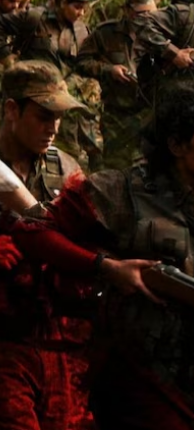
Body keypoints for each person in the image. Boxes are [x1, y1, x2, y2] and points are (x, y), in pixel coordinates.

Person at [13, 80, 194, 430]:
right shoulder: (122, 193)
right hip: (139, 391)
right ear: (177, 144)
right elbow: (34, 231)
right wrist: (106, 267)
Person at [0, 60, 92, 430]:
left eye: (58, 117)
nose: (53, 127)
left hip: (50, 333)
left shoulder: (65, 168)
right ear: (12, 110)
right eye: (43, 116)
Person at [0, 0, 102, 170]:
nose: (81, 13)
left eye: (84, 8)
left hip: (63, 104)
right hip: (28, 103)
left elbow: (84, 64)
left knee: (61, 156)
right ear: (63, 3)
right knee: (14, 151)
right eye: (77, 7)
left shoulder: (82, 30)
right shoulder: (34, 17)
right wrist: (7, 57)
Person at [76, 0, 157, 170]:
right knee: (117, 168)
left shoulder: (161, 33)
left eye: (151, 13)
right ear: (127, 10)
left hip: (150, 113)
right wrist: (109, 70)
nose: (147, 18)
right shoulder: (106, 33)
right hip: (117, 116)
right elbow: (82, 62)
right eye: (141, 14)